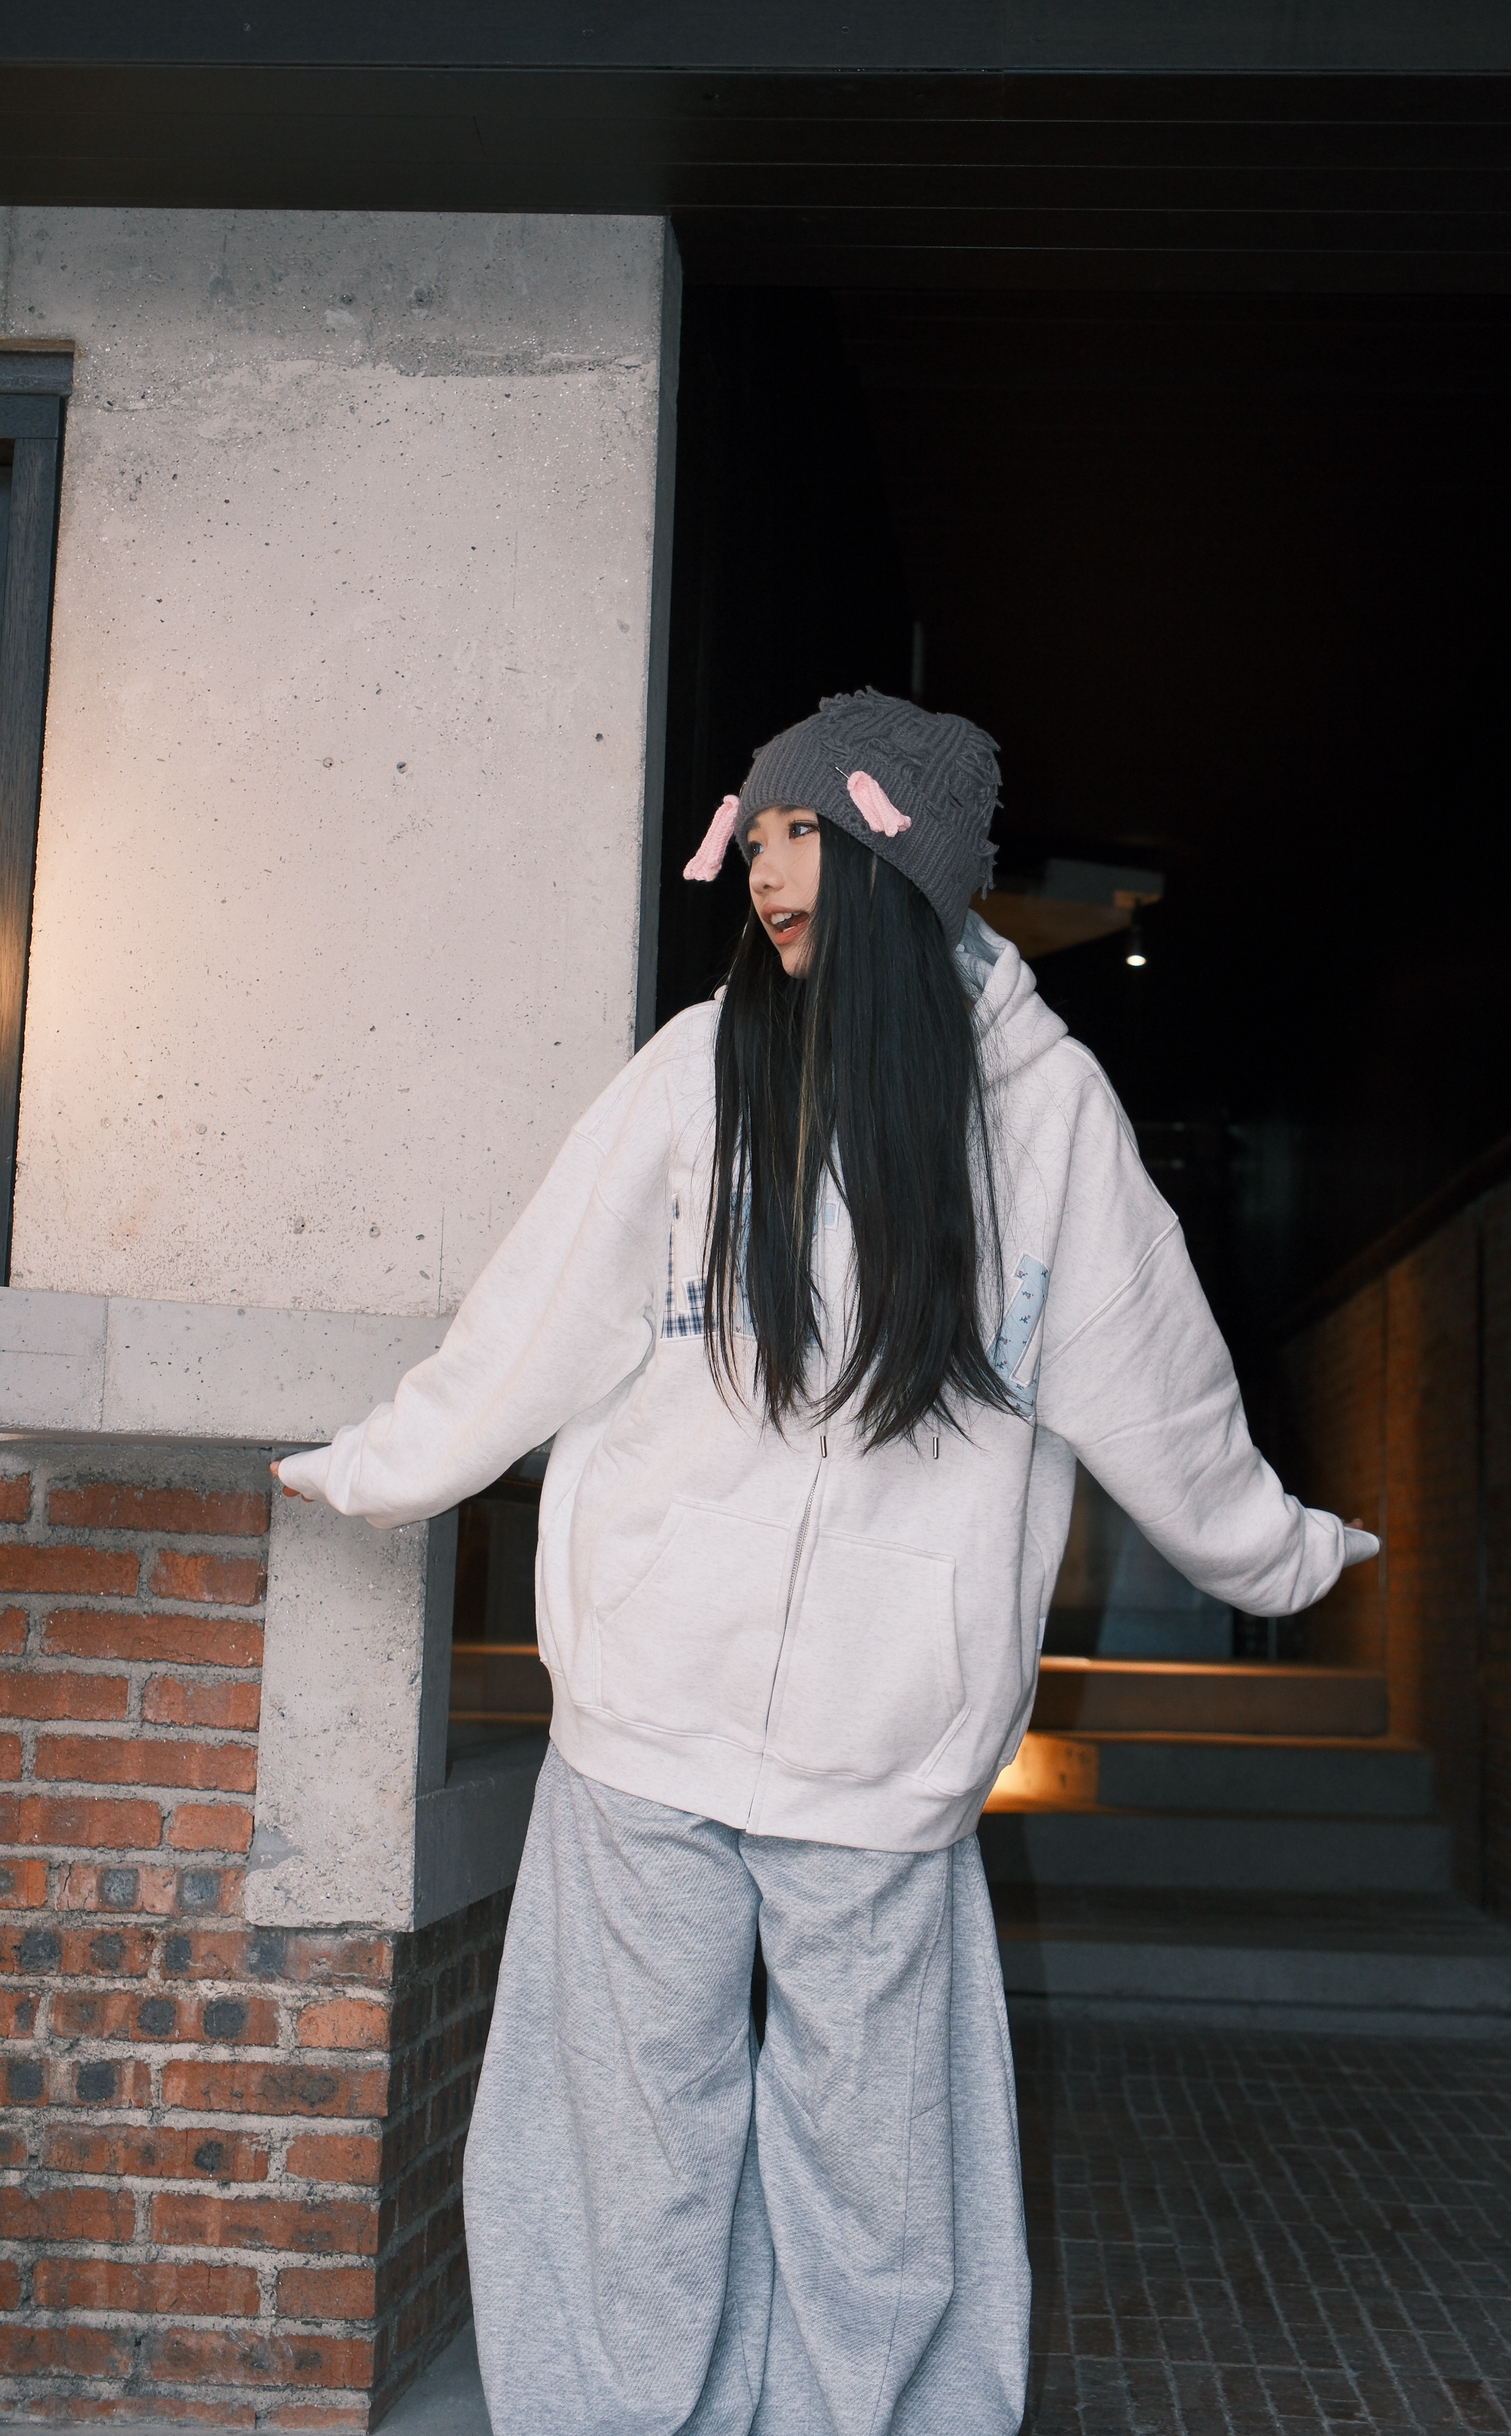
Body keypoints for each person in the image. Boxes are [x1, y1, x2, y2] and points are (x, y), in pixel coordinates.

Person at [273, 690, 1377, 2436]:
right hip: (649, 1721)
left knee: (877, 2180)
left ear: (892, 861)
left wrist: (1278, 1550)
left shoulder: (1046, 1120)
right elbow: (537, 1317)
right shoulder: (700, 1071)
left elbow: (1159, 1387)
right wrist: (381, 1465)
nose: (769, 872)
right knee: (627, 2153)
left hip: (882, 1748)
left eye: (806, 835)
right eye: (761, 834)